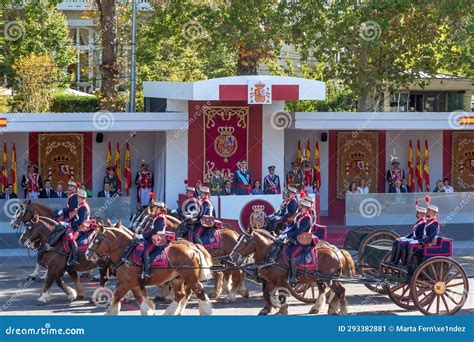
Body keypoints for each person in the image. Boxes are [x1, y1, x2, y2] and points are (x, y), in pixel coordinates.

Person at [134, 201, 167, 281]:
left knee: (146, 251)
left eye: (155, 208)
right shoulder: (158, 217)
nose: (153, 209)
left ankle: (146, 273)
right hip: (154, 237)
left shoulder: (160, 218)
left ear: (159, 209)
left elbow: (154, 230)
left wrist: (143, 235)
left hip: (157, 239)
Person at [266, 186, 299, 252]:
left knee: (274, 220)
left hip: (289, 219)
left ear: (294, 194)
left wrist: (282, 217)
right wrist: (276, 214)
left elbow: (291, 213)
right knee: (270, 219)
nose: (289, 194)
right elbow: (282, 210)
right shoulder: (288, 200)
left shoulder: (293, 202)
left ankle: (273, 236)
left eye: (290, 193)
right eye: (289, 192)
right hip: (284, 216)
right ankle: (269, 234)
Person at [64, 189, 90, 266]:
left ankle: (75, 259)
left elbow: (81, 221)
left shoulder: (84, 207)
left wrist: (69, 224)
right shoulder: (81, 205)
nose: (77, 198)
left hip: (82, 227)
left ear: (82, 198)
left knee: (71, 238)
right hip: (79, 225)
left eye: (78, 197)